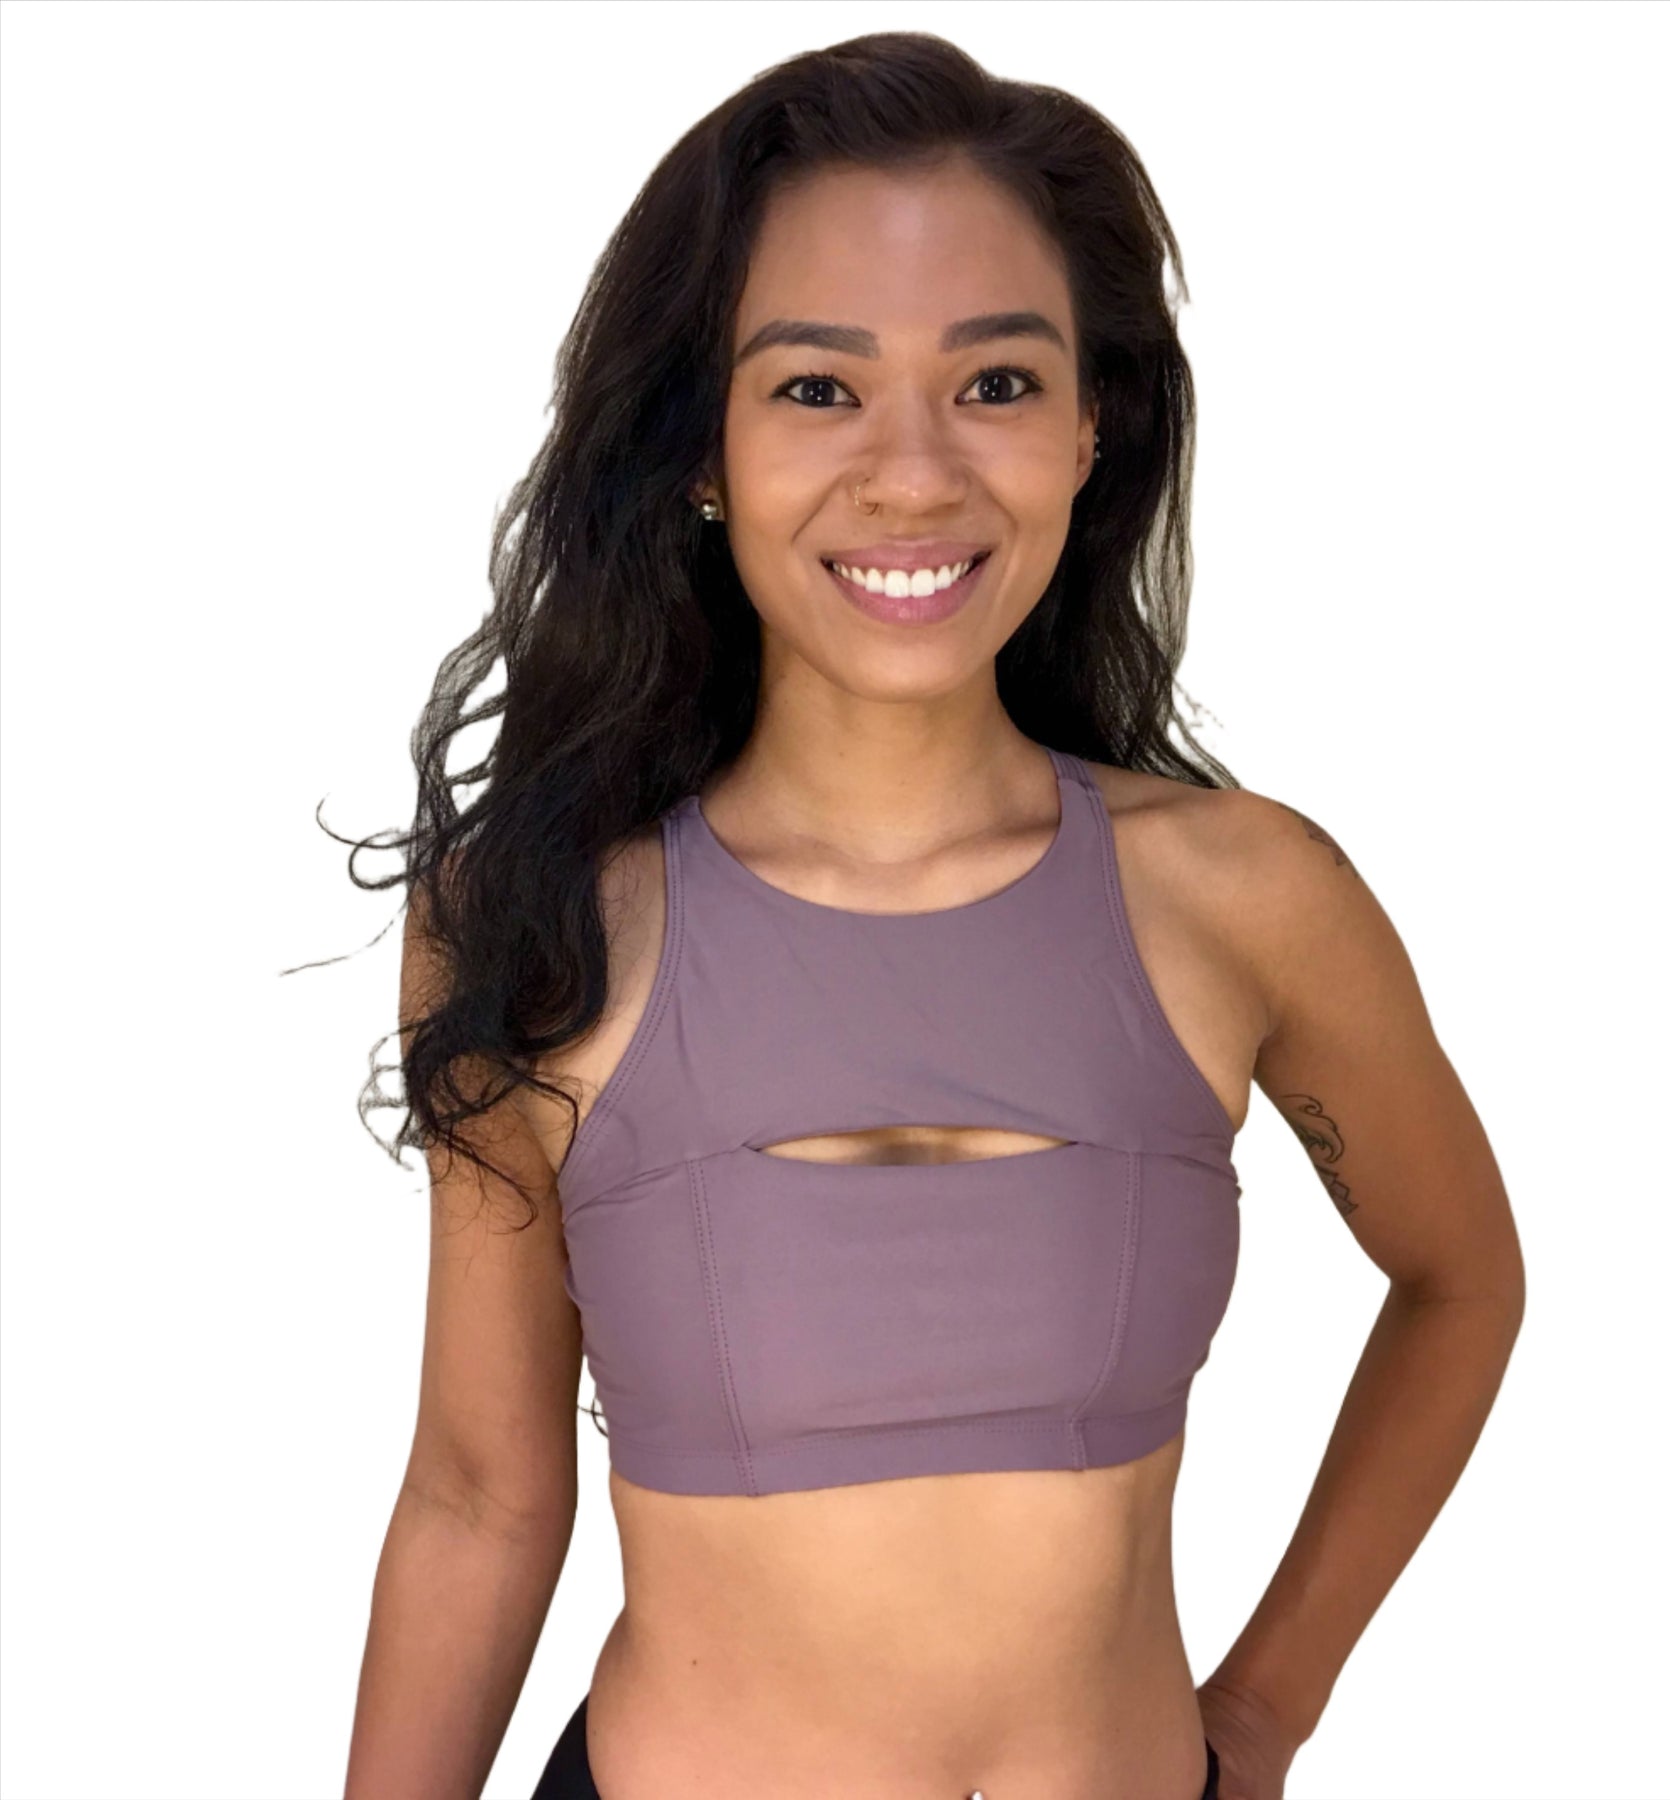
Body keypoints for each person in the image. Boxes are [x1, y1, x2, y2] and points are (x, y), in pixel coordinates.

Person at [342, 32, 1526, 1800]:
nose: (911, 475)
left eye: (994, 382)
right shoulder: (538, 920)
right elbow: (477, 1492)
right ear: (702, 444)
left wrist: (1267, 1710)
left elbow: (1461, 1281)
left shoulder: (1247, 896)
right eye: (817, 388)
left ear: (1088, 425)